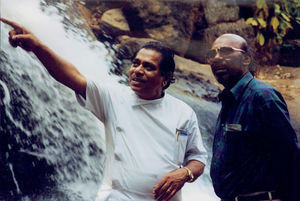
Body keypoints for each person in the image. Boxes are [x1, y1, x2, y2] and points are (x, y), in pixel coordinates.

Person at [0, 18, 207, 201]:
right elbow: (71, 76)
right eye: (135, 63)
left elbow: (198, 159)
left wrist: (184, 174)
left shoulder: (184, 112)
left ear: (166, 78)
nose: (137, 71)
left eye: (148, 66)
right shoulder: (113, 97)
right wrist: (36, 46)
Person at [207, 33, 299, 201]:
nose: (217, 58)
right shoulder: (230, 98)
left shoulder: (262, 96)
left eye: (226, 51)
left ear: (246, 59)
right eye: (212, 54)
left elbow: (290, 156)